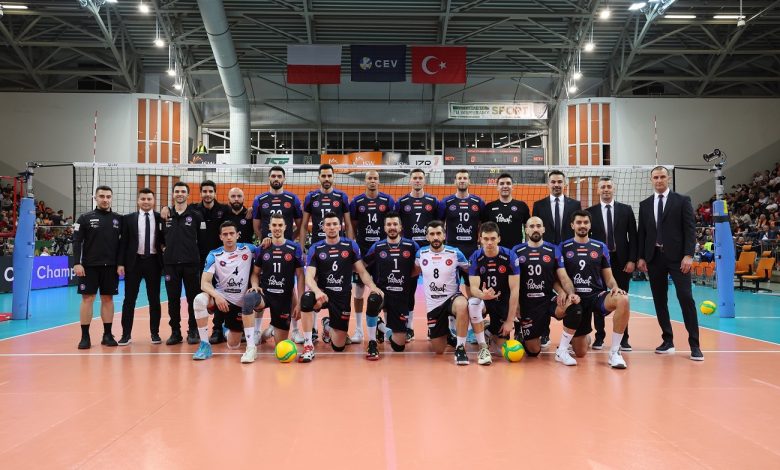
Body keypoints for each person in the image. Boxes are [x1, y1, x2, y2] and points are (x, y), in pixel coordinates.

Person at [637, 166, 702, 361]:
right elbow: (642, 233)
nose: (659, 180)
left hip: (678, 259)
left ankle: (695, 345)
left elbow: (690, 229)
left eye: (662, 177)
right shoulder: (645, 204)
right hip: (654, 258)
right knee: (659, 300)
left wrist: (688, 255)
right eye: (655, 177)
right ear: (651, 180)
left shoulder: (682, 200)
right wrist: (641, 257)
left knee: (686, 298)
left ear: (669, 178)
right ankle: (667, 340)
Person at [297, 212, 382, 363]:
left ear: (340, 226)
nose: (332, 227)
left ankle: (328, 325)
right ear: (323, 227)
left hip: (342, 296)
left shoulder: (350, 246)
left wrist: (373, 286)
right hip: (323, 294)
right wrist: (317, 291)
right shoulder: (316, 248)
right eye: (328, 224)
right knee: (306, 299)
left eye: (335, 224)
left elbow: (362, 271)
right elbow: (309, 276)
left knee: (339, 346)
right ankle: (308, 345)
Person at [559, 210, 630, 369]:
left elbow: (609, 278)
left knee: (623, 300)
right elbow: (561, 276)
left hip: (596, 296)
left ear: (590, 225)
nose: (582, 225)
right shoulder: (563, 247)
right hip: (576, 299)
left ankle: (615, 352)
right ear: (572, 225)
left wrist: (615, 287)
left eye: (585, 222)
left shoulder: (600, 247)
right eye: (579, 222)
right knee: (580, 352)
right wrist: (567, 293)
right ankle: (583, 338)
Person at [191, 221, 263, 363]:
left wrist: (267, 241)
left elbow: (266, 250)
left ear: (237, 235)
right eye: (225, 234)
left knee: (233, 345)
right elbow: (204, 283)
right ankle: (205, 345)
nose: (229, 237)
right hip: (221, 297)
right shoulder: (214, 255)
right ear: (220, 237)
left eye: (231, 233)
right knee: (199, 300)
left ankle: (227, 329)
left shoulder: (248, 249)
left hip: (239, 303)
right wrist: (217, 296)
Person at [251, 166, 304, 342]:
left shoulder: (292, 199)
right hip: (268, 248)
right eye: (273, 175)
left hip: (287, 249)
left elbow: (300, 224)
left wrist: (289, 241)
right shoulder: (260, 199)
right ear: (269, 178)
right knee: (263, 286)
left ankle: (294, 329)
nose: (276, 178)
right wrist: (267, 241)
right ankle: (257, 331)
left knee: (289, 287)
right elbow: (256, 226)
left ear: (284, 178)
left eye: (279, 176)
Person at [513, 216, 578, 359]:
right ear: (526, 230)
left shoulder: (553, 249)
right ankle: (524, 335)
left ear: (543, 229)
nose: (535, 229)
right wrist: (516, 304)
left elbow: (562, 277)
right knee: (533, 352)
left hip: (547, 299)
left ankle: (563, 349)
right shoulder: (517, 250)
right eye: (531, 226)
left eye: (538, 226)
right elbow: (513, 282)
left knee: (574, 306)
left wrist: (567, 292)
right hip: (527, 304)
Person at [586, 176, 637, 351]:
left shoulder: (626, 209)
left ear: (613, 189)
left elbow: (633, 236)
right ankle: (599, 337)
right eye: (603, 187)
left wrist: (632, 260)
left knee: (623, 299)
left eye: (608, 186)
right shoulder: (590, 212)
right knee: (597, 297)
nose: (606, 189)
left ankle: (624, 339)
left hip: (622, 261)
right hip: (599, 262)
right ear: (598, 190)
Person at [531, 169, 581, 348]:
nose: (556, 185)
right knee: (543, 293)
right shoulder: (539, 205)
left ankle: (571, 335)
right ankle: (544, 333)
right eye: (553, 182)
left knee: (570, 290)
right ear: (548, 184)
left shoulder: (575, 204)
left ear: (564, 184)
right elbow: (536, 230)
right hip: (546, 255)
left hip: (568, 255)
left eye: (559, 182)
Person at [362, 212, 420, 360]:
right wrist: (373, 286)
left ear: (400, 227)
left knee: (399, 347)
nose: (392, 227)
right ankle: (372, 342)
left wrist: (406, 278)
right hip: (382, 293)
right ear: (384, 228)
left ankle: (381, 326)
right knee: (373, 300)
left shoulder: (411, 246)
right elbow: (362, 266)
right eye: (389, 224)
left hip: (400, 297)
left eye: (395, 224)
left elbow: (420, 266)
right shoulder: (378, 246)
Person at [416, 220, 474, 365]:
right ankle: (447, 334)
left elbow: (470, 270)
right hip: (434, 304)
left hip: (452, 298)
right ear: (427, 237)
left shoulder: (455, 253)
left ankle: (460, 348)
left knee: (462, 305)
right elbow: (414, 272)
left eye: (438, 233)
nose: (435, 237)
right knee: (439, 350)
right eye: (432, 234)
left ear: (444, 235)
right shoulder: (421, 253)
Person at [348, 169, 395, 344]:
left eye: (375, 178)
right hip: (362, 252)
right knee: (359, 291)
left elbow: (393, 224)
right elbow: (352, 226)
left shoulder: (387, 200)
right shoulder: (357, 202)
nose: (372, 181)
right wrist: (354, 249)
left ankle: (387, 328)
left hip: (382, 253)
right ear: (365, 181)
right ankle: (359, 330)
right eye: (370, 178)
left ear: (379, 181)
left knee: (385, 290)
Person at [73, 185, 122, 349]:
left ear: (111, 198)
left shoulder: (118, 219)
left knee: (108, 299)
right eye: (102, 196)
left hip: (111, 267)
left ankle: (107, 335)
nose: (105, 199)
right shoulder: (85, 218)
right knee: (88, 299)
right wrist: (77, 262)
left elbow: (123, 243)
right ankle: (85, 337)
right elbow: (77, 241)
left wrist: (120, 263)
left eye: (108, 196)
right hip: (89, 266)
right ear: (95, 198)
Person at [395, 168, 439, 342]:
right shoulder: (402, 202)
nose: (418, 180)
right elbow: (397, 226)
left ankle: (433, 327)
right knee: (408, 291)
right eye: (415, 178)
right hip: (409, 252)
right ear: (410, 180)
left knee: (434, 290)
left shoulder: (433, 201)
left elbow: (439, 225)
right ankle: (409, 327)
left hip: (430, 251)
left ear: (424, 180)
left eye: (420, 177)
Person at [467, 222, 520, 365]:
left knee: (500, 351)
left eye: (492, 238)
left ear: (499, 239)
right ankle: (483, 346)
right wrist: (482, 295)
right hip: (484, 300)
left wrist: (509, 321)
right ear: (480, 239)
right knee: (472, 303)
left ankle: (487, 330)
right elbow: (473, 288)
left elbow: (515, 290)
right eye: (485, 239)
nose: (489, 242)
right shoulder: (475, 257)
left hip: (503, 300)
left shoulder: (510, 256)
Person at [117, 188, 164, 345]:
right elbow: (123, 243)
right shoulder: (128, 219)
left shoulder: (160, 218)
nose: (146, 202)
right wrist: (120, 263)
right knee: (129, 300)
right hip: (134, 262)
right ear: (138, 201)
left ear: (154, 201)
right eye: (143, 199)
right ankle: (125, 334)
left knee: (154, 299)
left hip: (154, 262)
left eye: (149, 199)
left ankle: (155, 333)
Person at [162, 182, 206, 346]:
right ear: (173, 194)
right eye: (177, 191)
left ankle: (193, 330)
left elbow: (202, 241)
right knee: (173, 300)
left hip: (191, 264)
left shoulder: (196, 216)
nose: (179, 194)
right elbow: (160, 238)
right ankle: (175, 332)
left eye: (182, 191)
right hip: (171, 265)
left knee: (193, 299)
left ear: (188, 195)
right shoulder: (165, 215)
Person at [300, 163, 353, 249]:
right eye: (323, 176)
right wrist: (301, 250)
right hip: (317, 245)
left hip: (338, 245)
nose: (327, 179)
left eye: (329, 176)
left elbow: (348, 225)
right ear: (319, 177)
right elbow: (304, 225)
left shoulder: (342, 197)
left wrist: (350, 248)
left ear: (333, 177)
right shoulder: (311, 197)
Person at [481, 172, 530, 249]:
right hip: (494, 251)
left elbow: (528, 229)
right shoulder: (489, 207)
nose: (505, 186)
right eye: (502, 184)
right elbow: (483, 230)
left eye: (508, 183)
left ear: (512, 187)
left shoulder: (521, 206)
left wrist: (527, 247)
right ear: (497, 187)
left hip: (516, 250)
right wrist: (483, 249)